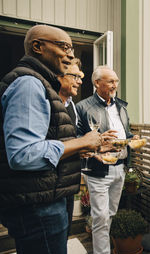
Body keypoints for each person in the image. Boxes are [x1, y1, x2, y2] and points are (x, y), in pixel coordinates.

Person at [0, 25, 101, 254]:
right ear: (38, 46)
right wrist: (82, 141)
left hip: (45, 200)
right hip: (38, 209)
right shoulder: (29, 85)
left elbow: (46, 141)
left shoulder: (40, 85)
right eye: (64, 46)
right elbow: (23, 155)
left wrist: (78, 149)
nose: (69, 54)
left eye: (71, 48)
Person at [76, 65, 135, 254]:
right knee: (100, 217)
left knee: (109, 215)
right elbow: (76, 139)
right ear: (96, 83)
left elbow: (125, 134)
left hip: (120, 168)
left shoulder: (121, 106)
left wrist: (132, 141)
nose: (114, 85)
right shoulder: (83, 107)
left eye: (116, 81)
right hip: (97, 169)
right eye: (110, 81)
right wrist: (96, 148)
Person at [57, 57, 84, 235]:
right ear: (60, 76)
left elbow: (72, 139)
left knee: (64, 235)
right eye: (75, 76)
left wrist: (88, 148)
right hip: (49, 188)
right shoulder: (46, 102)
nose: (80, 81)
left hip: (67, 184)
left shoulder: (71, 106)